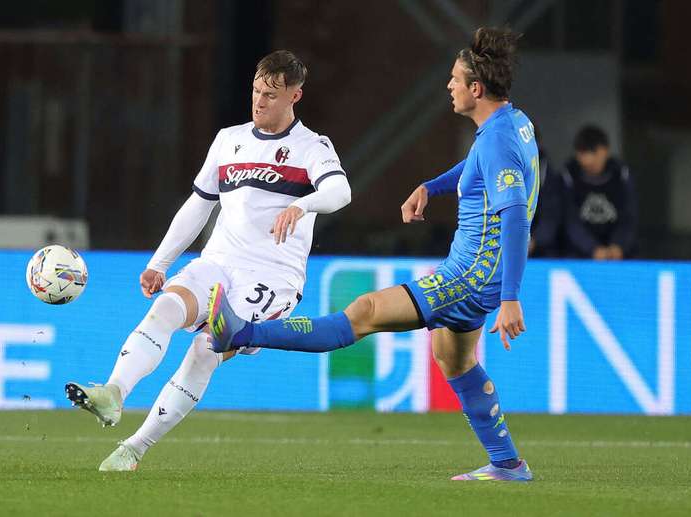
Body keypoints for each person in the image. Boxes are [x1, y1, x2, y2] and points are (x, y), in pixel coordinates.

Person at [208, 27, 537, 482]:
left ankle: (242, 333)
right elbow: (481, 164)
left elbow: (515, 213)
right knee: (453, 356)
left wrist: (511, 297)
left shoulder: (497, 138)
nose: (449, 86)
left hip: (473, 274)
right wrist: (431, 186)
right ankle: (508, 464)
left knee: (363, 313)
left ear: (475, 89)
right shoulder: (512, 124)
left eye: (454, 79)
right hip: (480, 273)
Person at [65, 50, 352, 471]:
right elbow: (198, 206)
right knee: (165, 307)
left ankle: (135, 448)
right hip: (218, 260)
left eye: (271, 94)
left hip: (273, 276)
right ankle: (113, 394)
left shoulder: (312, 147)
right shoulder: (228, 139)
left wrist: (303, 205)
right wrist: (160, 263)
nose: (259, 101)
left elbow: (340, 192)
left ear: (295, 95)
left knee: (204, 348)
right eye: (256, 91)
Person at [563, 125, 637, 259]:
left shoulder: (621, 175)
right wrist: (592, 249)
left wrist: (619, 245)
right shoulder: (569, 176)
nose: (589, 162)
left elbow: (629, 217)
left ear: (605, 151)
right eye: (583, 155)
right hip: (579, 256)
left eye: (594, 154)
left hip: (620, 256)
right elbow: (570, 220)